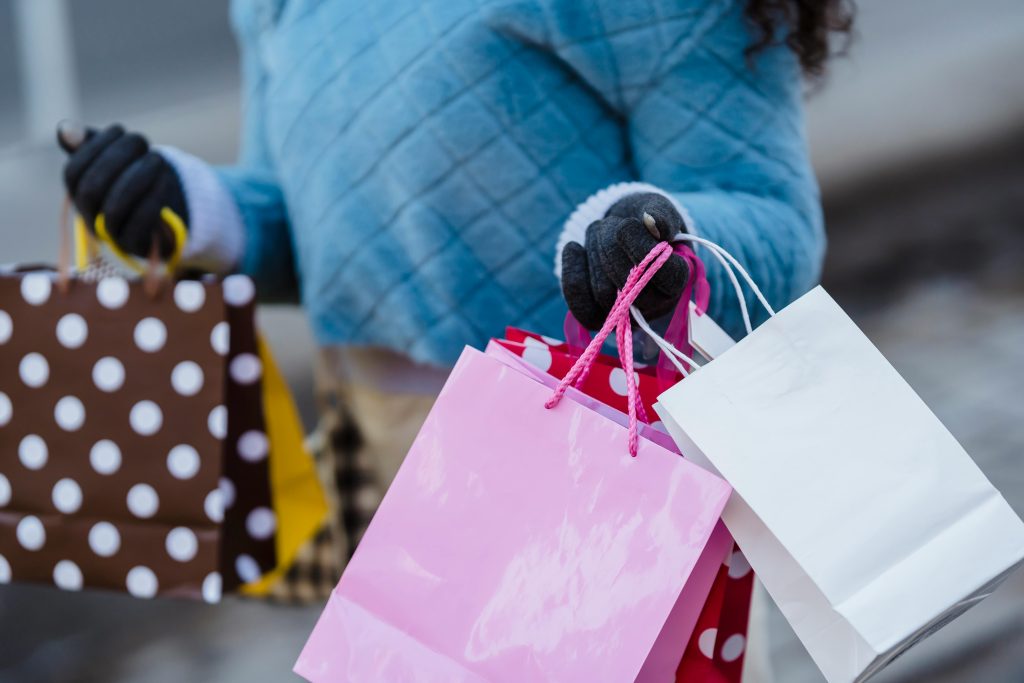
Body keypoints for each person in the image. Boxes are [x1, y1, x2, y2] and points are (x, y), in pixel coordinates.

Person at [58, 0, 852, 619]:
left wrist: (652, 247)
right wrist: (197, 209)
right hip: (384, 476)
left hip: (609, 472)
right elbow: (314, 227)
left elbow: (767, 214)